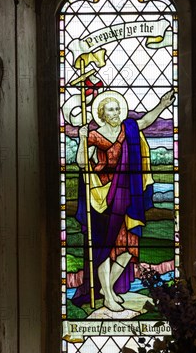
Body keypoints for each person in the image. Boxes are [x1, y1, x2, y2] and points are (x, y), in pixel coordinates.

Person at [72, 89, 175, 311]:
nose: (116, 112)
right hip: (101, 197)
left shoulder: (127, 129)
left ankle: (106, 287)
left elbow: (146, 121)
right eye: (111, 109)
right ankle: (108, 295)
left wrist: (162, 104)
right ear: (101, 113)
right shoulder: (94, 136)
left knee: (129, 246)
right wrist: (81, 138)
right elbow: (81, 163)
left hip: (127, 195)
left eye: (118, 108)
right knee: (104, 246)